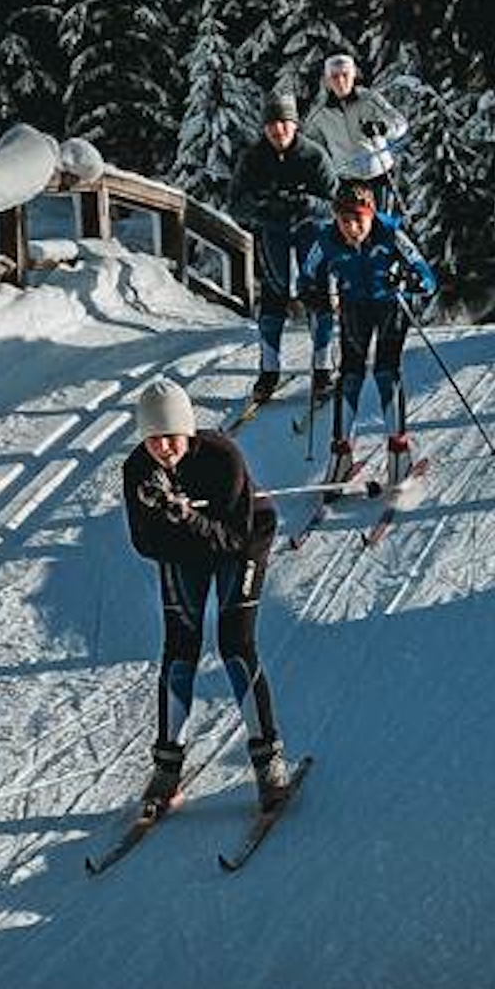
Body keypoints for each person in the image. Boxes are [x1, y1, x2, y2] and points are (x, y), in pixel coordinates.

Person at [119, 378, 294, 815]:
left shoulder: (221, 457)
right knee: (180, 648)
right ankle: (167, 764)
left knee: (235, 644)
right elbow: (145, 544)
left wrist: (185, 516)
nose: (162, 447)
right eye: (153, 438)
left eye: (171, 436)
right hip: (185, 549)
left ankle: (268, 759)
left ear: (189, 430)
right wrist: (164, 515)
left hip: (246, 539)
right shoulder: (137, 470)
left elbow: (233, 538)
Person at [295, 178, 440, 484]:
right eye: (344, 220)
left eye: (358, 219)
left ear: (371, 214)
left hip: (390, 306)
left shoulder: (390, 233)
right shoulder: (326, 240)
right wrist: (312, 295)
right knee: (350, 374)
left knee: (387, 372)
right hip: (353, 307)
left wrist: (408, 282)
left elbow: (427, 277)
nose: (352, 228)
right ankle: (341, 452)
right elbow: (306, 277)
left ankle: (398, 451)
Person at [229, 92, 338, 406]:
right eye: (272, 124)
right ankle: (269, 370)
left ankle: (322, 367)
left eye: (284, 123)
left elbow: (333, 204)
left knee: (316, 293)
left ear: (294, 124)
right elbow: (236, 203)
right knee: (274, 295)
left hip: (310, 231)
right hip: (274, 232)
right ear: (265, 128)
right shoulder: (253, 158)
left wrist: (307, 204)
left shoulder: (313, 156)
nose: (279, 130)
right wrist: (263, 207)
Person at [301, 53, 410, 216]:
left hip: (378, 175)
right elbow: (313, 147)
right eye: (334, 76)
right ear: (327, 81)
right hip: (347, 181)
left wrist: (382, 128)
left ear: (353, 75)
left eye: (345, 75)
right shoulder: (320, 113)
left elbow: (400, 124)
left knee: (382, 223)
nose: (340, 81)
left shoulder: (368, 99)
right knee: (354, 227)